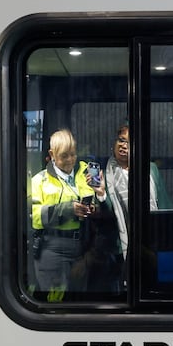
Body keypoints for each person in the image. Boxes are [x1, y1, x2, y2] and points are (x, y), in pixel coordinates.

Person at [29, 129, 107, 301]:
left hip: (83, 248)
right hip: (52, 248)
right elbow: (35, 217)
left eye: (73, 154)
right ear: (52, 154)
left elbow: (105, 213)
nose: (71, 160)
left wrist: (100, 197)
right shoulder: (39, 181)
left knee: (79, 303)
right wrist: (68, 209)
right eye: (64, 156)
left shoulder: (87, 173)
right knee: (56, 303)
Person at [102, 123, 172, 258]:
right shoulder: (105, 175)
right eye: (121, 140)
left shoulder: (151, 169)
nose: (123, 145)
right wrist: (101, 194)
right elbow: (107, 214)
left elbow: (164, 204)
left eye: (129, 143)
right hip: (118, 243)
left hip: (151, 238)